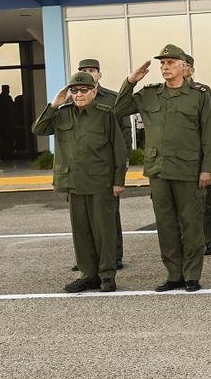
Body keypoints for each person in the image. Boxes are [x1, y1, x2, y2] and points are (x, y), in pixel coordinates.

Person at [113, 44, 211, 292]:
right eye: (162, 63)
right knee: (166, 225)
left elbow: (210, 134)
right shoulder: (149, 94)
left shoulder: (200, 94)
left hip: (188, 170)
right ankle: (174, 274)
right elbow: (119, 109)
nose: (165, 67)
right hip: (159, 170)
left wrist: (207, 169)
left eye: (170, 62)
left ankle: (191, 275)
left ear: (184, 66)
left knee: (191, 224)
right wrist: (131, 81)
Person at [32, 72, 127, 292]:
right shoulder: (62, 114)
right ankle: (88, 275)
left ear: (94, 91)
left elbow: (118, 149)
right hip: (74, 182)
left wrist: (118, 180)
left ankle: (107, 276)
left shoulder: (105, 114)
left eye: (84, 90)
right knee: (81, 232)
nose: (79, 95)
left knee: (104, 232)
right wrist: (54, 104)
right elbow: (38, 129)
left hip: (100, 182)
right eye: (74, 91)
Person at [74, 58, 133, 271]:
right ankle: (89, 259)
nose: (89, 73)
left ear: (99, 74)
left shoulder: (113, 98)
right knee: (84, 218)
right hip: (83, 168)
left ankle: (114, 255)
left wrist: (124, 158)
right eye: (84, 70)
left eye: (92, 70)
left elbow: (124, 130)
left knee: (109, 214)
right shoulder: (74, 98)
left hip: (107, 163)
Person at [185, 54, 211, 256]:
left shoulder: (202, 91)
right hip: (178, 159)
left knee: (203, 203)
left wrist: (207, 165)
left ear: (191, 69)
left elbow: (210, 128)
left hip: (197, 156)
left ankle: (207, 240)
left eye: (185, 65)